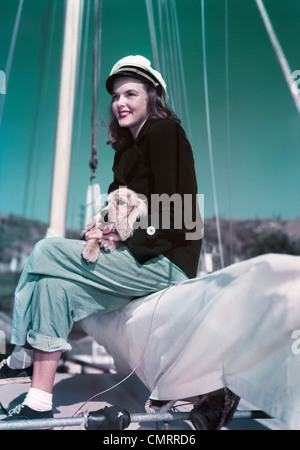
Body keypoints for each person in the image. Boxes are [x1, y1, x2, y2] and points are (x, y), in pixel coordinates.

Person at [0, 55, 237, 429]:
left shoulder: (164, 133)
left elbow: (183, 215)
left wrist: (122, 235)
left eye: (131, 93)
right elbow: (113, 214)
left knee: (45, 251)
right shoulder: (125, 151)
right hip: (130, 264)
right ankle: (38, 399)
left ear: (152, 97)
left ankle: (18, 351)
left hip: (165, 263)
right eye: (115, 96)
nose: (120, 102)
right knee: (52, 286)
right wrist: (99, 230)